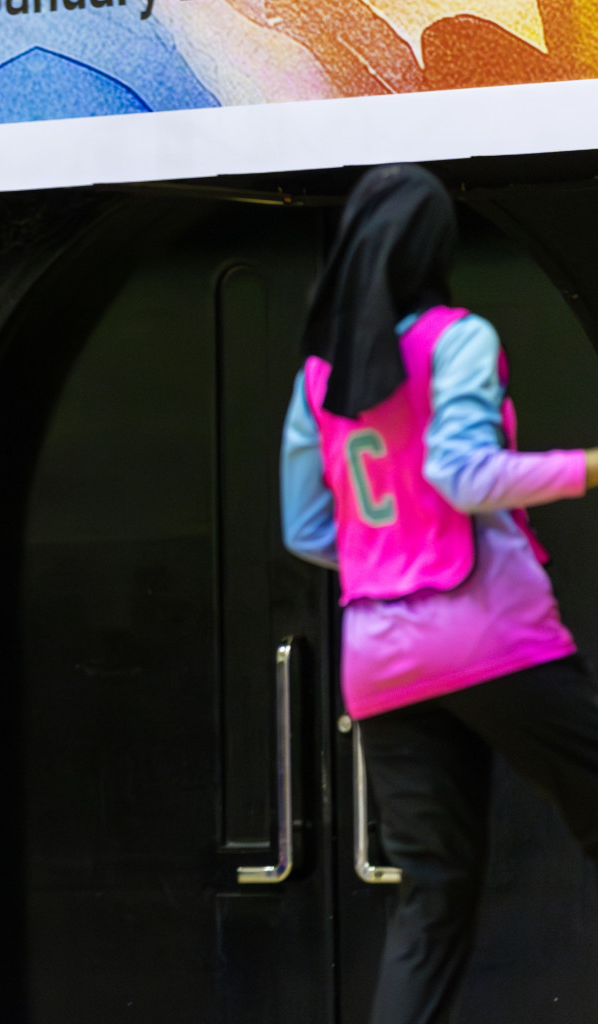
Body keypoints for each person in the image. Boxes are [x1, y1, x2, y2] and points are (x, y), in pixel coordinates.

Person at [280, 164, 598, 1024]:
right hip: (495, 636)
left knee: (431, 898)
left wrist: (391, 562)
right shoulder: (460, 337)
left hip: (380, 659)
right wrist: (588, 467)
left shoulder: (319, 380)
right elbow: (461, 475)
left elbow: (308, 531)